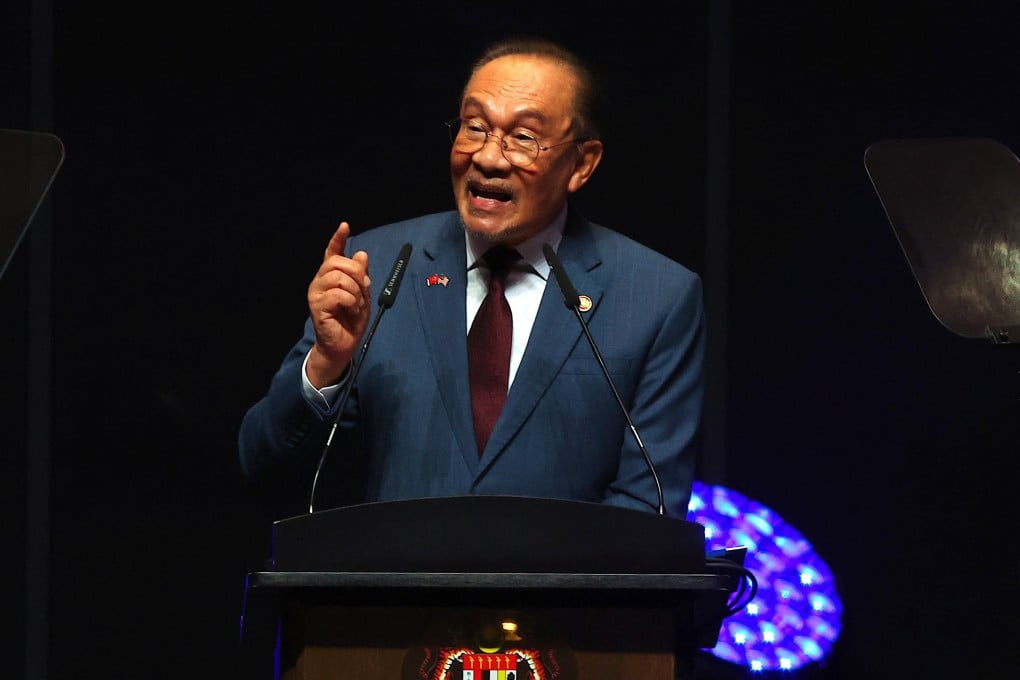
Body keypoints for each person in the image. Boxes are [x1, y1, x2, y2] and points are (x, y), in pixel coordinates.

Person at [238, 36, 706, 518]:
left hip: (562, 593)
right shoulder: (373, 269)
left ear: (581, 164)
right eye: (475, 127)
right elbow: (264, 467)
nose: (488, 157)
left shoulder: (656, 296)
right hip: (391, 589)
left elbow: (648, 506)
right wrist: (326, 366)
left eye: (524, 137)